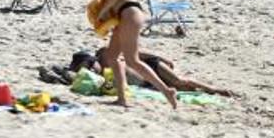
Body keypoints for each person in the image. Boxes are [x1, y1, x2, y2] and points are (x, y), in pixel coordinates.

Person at [95, 0, 177, 109]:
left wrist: (102, 13)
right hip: (126, 13)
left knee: (132, 60)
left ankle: (166, 90)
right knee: (111, 56)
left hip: (129, 13)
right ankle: (122, 97)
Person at [69, 49, 234, 96]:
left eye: (90, 66)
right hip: (146, 83)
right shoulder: (94, 76)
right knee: (184, 91)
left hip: (151, 66)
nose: (91, 71)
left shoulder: (106, 54)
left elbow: (135, 53)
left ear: (93, 59)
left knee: (179, 82)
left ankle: (214, 89)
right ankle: (207, 92)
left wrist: (161, 57)